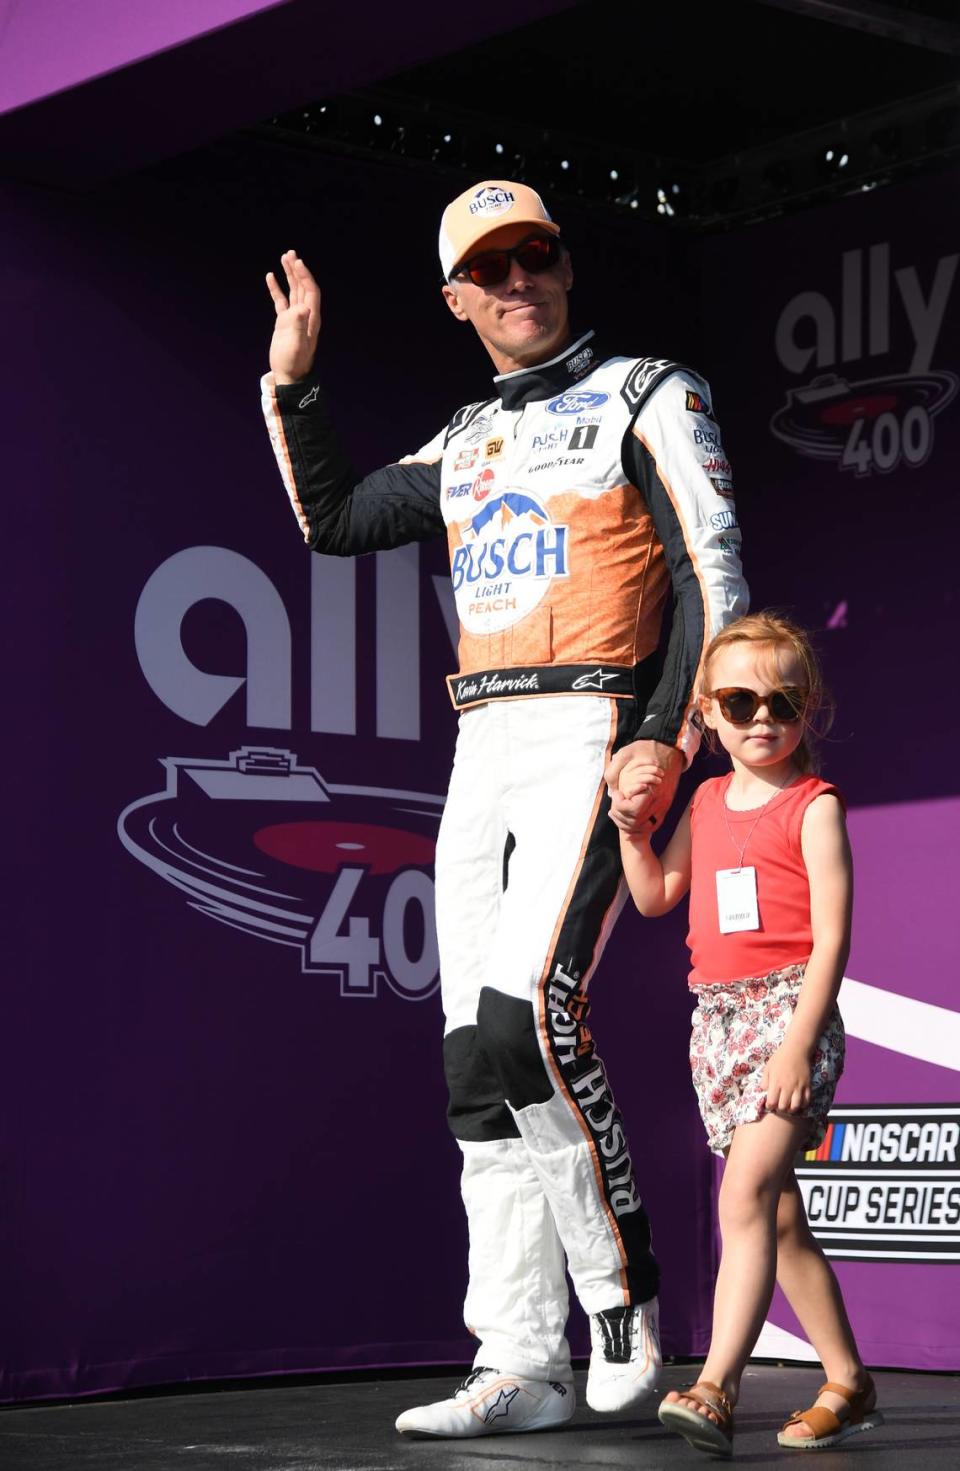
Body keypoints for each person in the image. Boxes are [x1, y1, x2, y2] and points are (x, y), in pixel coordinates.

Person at [260, 179, 748, 1437]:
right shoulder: (468, 433)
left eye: (534, 257)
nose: (517, 282)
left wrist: (665, 735)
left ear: (566, 266)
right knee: (472, 1062)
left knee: (528, 1019)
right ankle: (516, 1356)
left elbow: (715, 574)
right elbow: (340, 520)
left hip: (594, 726)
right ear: (457, 299)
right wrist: (297, 386)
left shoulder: (652, 391)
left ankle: (621, 1300)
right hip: (483, 739)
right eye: (491, 269)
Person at [615, 611, 881, 1456]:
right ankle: (848, 1378)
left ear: (809, 709)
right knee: (778, 1215)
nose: (762, 715)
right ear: (707, 713)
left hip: (789, 1015)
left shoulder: (815, 808)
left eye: (783, 698)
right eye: (739, 699)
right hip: (718, 1021)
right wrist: (631, 835)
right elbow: (658, 895)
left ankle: (715, 1387)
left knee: (742, 1198)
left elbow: (833, 940)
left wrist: (799, 1045)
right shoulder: (704, 799)